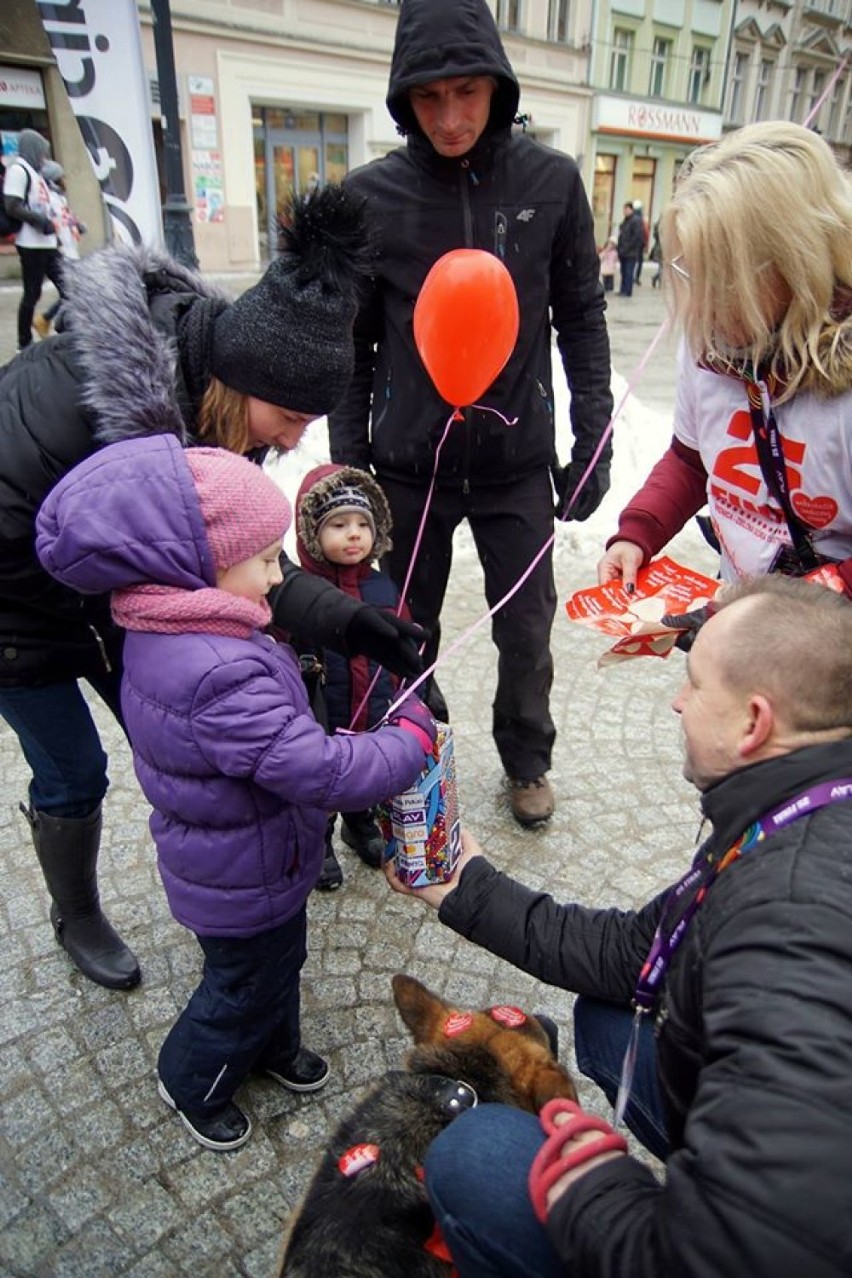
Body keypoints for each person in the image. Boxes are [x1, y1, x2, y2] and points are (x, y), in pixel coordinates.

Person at [0, 183, 424, 993]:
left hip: (126, 607)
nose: (297, 437)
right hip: (16, 607)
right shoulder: (72, 406)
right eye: (293, 416)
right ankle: (76, 911)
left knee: (189, 753)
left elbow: (243, 560)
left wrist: (349, 622)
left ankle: (228, 907)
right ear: (244, 377)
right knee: (74, 770)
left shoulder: (224, 415)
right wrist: (146, 617)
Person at [385, 574, 852, 1276]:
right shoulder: (798, 803)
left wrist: (589, 1179)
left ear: (754, 723)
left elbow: (739, 1256)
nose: (677, 700)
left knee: (476, 1152)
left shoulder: (787, 927)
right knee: (612, 1018)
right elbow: (637, 955)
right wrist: (468, 890)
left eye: (694, 684)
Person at [36, 435, 437, 1152]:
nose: (276, 577)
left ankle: (274, 1048)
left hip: (262, 858)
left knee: (280, 962)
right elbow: (318, 768)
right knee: (240, 985)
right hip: (238, 875)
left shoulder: (184, 622)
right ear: (201, 568)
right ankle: (193, 1078)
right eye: (263, 562)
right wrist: (409, 737)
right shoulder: (215, 669)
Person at [328, 0, 614, 828]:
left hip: (515, 464)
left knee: (526, 632)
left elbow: (581, 314)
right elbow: (355, 347)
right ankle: (412, 747)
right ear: (402, 97)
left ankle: (527, 757)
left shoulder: (551, 181)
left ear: (497, 85)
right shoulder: (369, 196)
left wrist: (591, 433)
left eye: (467, 93)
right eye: (429, 97)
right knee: (396, 628)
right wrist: (352, 471)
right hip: (407, 469)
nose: (450, 117)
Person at [598, 122, 852, 600]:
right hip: (744, 616)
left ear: (797, 261)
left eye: (724, 277)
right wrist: (638, 531)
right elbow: (691, 460)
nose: (703, 304)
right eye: (692, 272)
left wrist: (822, 595)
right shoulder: (706, 347)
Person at [293, 463, 411, 890]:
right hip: (322, 713)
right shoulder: (301, 593)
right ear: (311, 533)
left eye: (363, 524)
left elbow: (403, 646)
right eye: (339, 525)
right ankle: (319, 841)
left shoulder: (383, 588)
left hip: (374, 707)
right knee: (321, 787)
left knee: (365, 777)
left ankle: (359, 826)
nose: (354, 534)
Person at [3, 129, 63, 350]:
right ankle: (24, 340)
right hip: (31, 244)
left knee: (71, 288)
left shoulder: (36, 173)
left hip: (48, 243)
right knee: (32, 293)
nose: (43, 158)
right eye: (41, 153)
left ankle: (66, 329)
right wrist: (41, 221)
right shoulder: (18, 171)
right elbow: (12, 205)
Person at [33, 160, 86, 338]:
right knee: (73, 293)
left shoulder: (60, 198)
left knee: (73, 292)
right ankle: (53, 322)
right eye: (61, 177)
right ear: (54, 179)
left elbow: (67, 220)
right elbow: (56, 223)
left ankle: (48, 320)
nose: (65, 180)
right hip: (62, 252)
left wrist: (78, 225)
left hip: (71, 250)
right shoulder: (51, 200)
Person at [616, 200, 644, 298]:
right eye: (624, 209)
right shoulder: (625, 221)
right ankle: (623, 290)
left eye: (626, 209)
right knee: (623, 272)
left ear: (631, 209)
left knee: (628, 272)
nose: (624, 211)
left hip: (630, 253)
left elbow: (637, 237)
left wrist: (628, 248)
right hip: (623, 252)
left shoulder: (635, 221)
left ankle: (627, 291)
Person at [632, 199, 649, 285]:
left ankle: (633, 277)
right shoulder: (641, 219)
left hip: (634, 244)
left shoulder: (632, 218)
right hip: (639, 244)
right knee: (639, 261)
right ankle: (636, 277)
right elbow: (645, 232)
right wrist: (645, 243)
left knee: (633, 261)